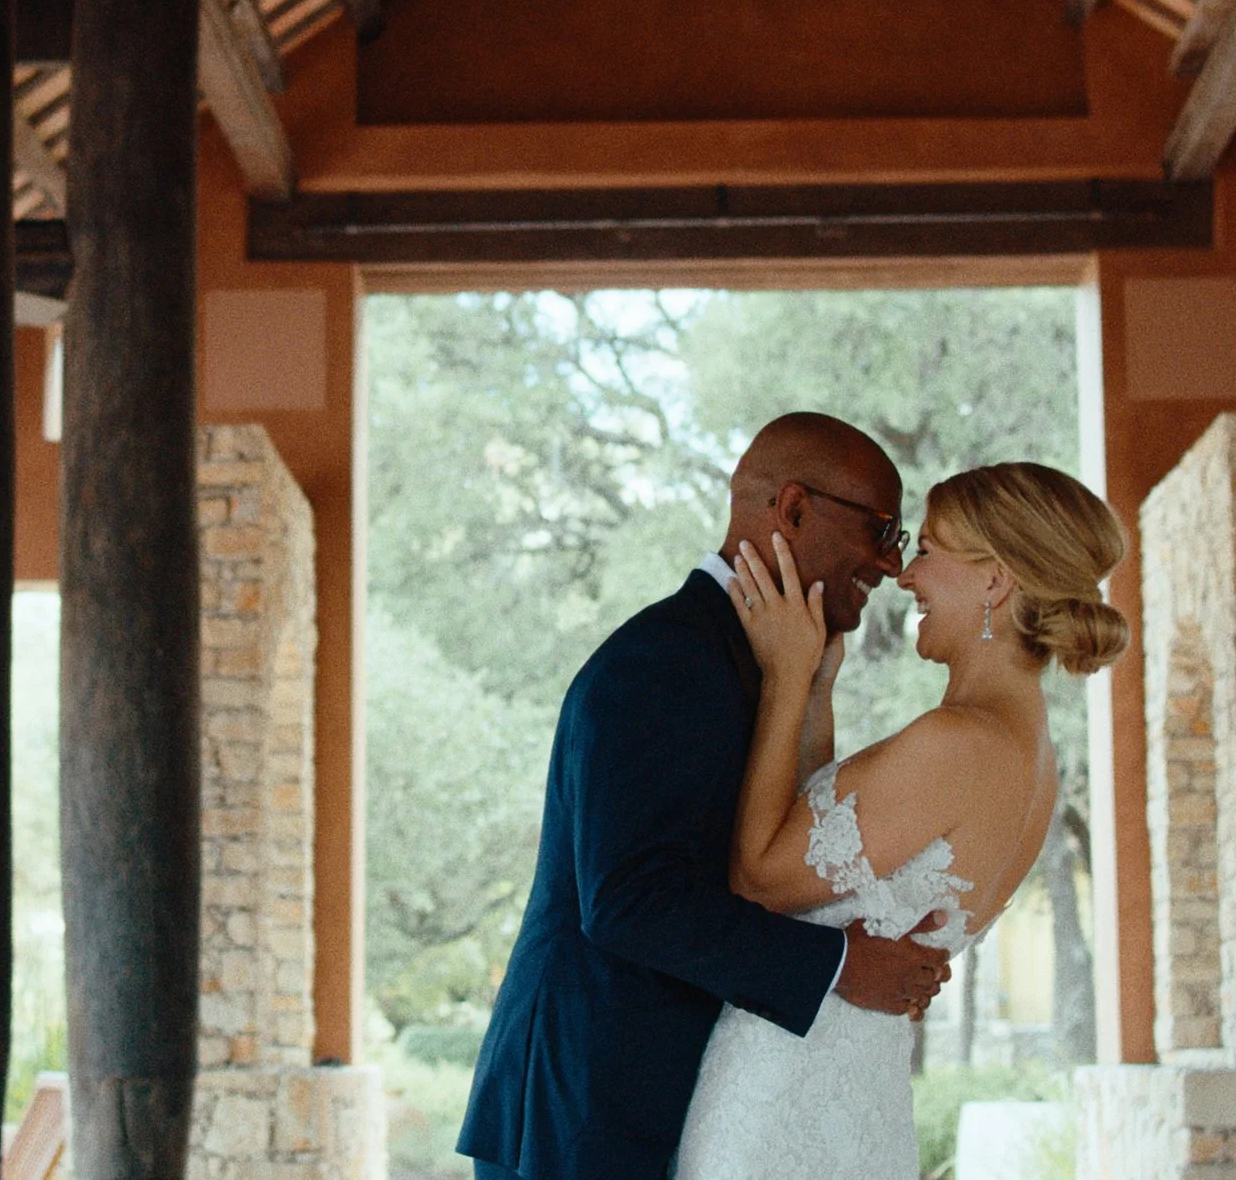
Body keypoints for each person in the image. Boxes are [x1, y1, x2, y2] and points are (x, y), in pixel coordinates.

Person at [458, 413, 955, 1180]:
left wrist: (809, 688)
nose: (891, 564)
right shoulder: (667, 658)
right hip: (585, 1112)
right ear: (793, 509)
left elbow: (781, 852)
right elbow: (628, 901)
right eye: (881, 530)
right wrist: (839, 966)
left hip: (657, 1108)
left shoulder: (764, 657)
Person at [673, 461, 1129, 1179]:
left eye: (929, 549)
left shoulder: (956, 743)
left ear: (995, 580)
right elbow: (824, 855)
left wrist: (785, 677)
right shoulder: (1032, 754)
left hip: (779, 1103)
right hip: (857, 1110)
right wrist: (817, 691)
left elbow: (759, 879)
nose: (907, 576)